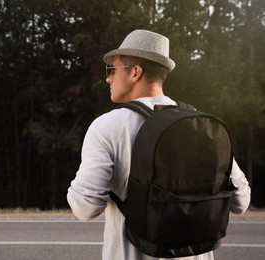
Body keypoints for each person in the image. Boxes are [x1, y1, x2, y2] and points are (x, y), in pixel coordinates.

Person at [67, 29, 251, 260]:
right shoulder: (199, 123)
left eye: (112, 69)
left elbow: (85, 208)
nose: (108, 78)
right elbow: (241, 201)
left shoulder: (107, 126)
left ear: (135, 72)